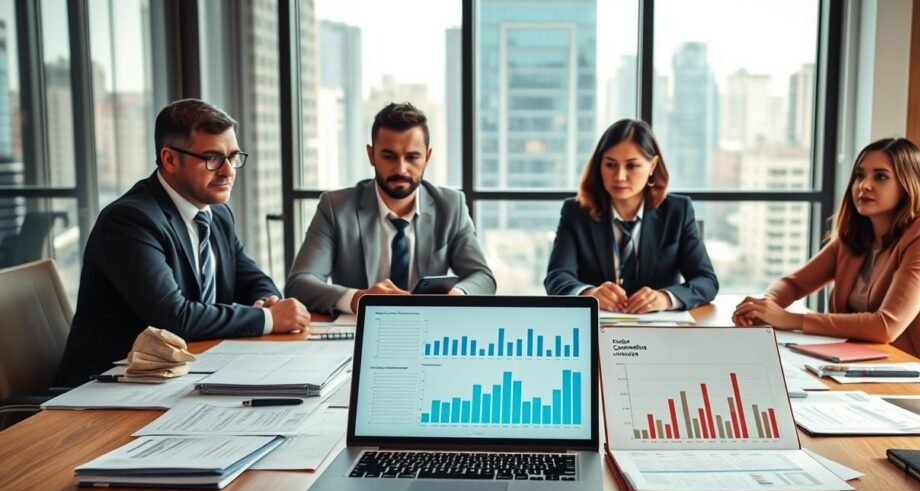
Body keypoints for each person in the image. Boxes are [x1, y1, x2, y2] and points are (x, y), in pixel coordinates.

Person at [55, 99, 310, 387]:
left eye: (233, 156)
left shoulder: (217, 213)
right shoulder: (129, 220)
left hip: (190, 373)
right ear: (170, 159)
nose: (228, 171)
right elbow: (174, 318)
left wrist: (267, 301)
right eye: (212, 158)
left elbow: (252, 279)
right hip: (110, 386)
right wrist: (268, 319)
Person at [732, 137, 920, 370]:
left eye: (880, 176)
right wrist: (764, 308)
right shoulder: (853, 238)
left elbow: (886, 326)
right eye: (859, 175)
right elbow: (793, 284)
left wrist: (790, 320)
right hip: (861, 366)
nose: (864, 185)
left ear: (908, 185)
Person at [286, 102, 496, 314]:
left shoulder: (451, 207)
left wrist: (455, 295)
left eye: (412, 157)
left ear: (427, 157)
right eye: (389, 156)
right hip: (357, 333)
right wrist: (359, 299)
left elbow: (483, 278)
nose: (400, 168)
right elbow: (299, 283)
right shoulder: (335, 207)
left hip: (425, 328)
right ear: (371, 155)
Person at [544, 119, 718, 313]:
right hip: (599, 331)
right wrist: (589, 294)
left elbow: (706, 281)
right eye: (610, 165)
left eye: (631, 166)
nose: (619, 176)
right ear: (599, 165)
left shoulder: (678, 211)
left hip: (659, 332)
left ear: (652, 166)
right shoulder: (576, 212)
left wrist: (665, 298)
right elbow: (556, 277)